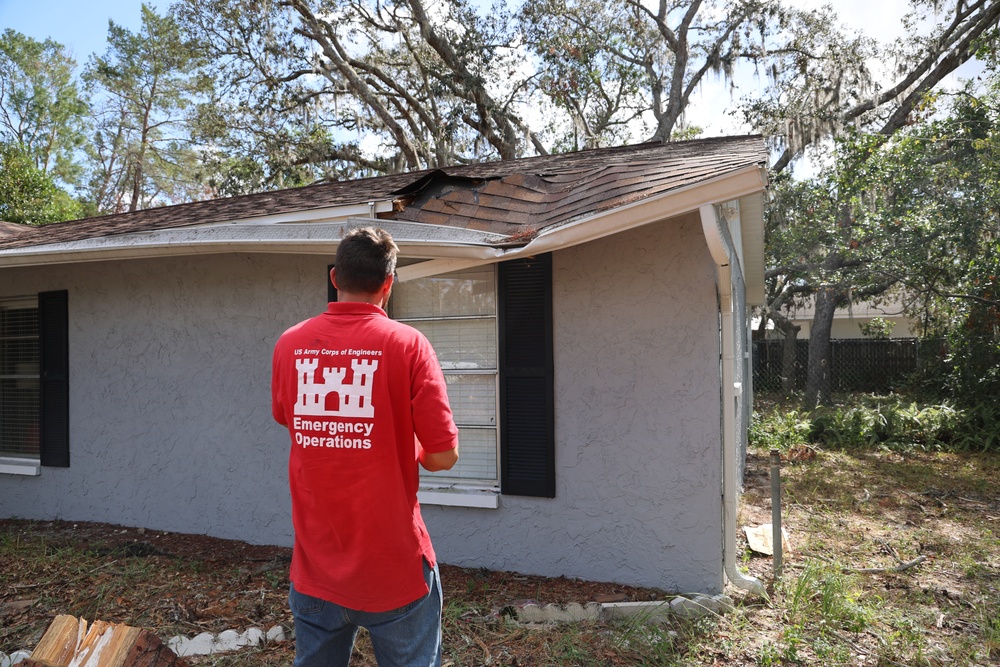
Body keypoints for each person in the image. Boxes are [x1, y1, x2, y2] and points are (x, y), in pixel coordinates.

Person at [271, 226, 459, 667]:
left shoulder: (290, 343)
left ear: (336, 278)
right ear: (388, 284)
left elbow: (291, 420)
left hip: (315, 568)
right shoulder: (409, 344)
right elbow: (443, 458)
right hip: (393, 571)